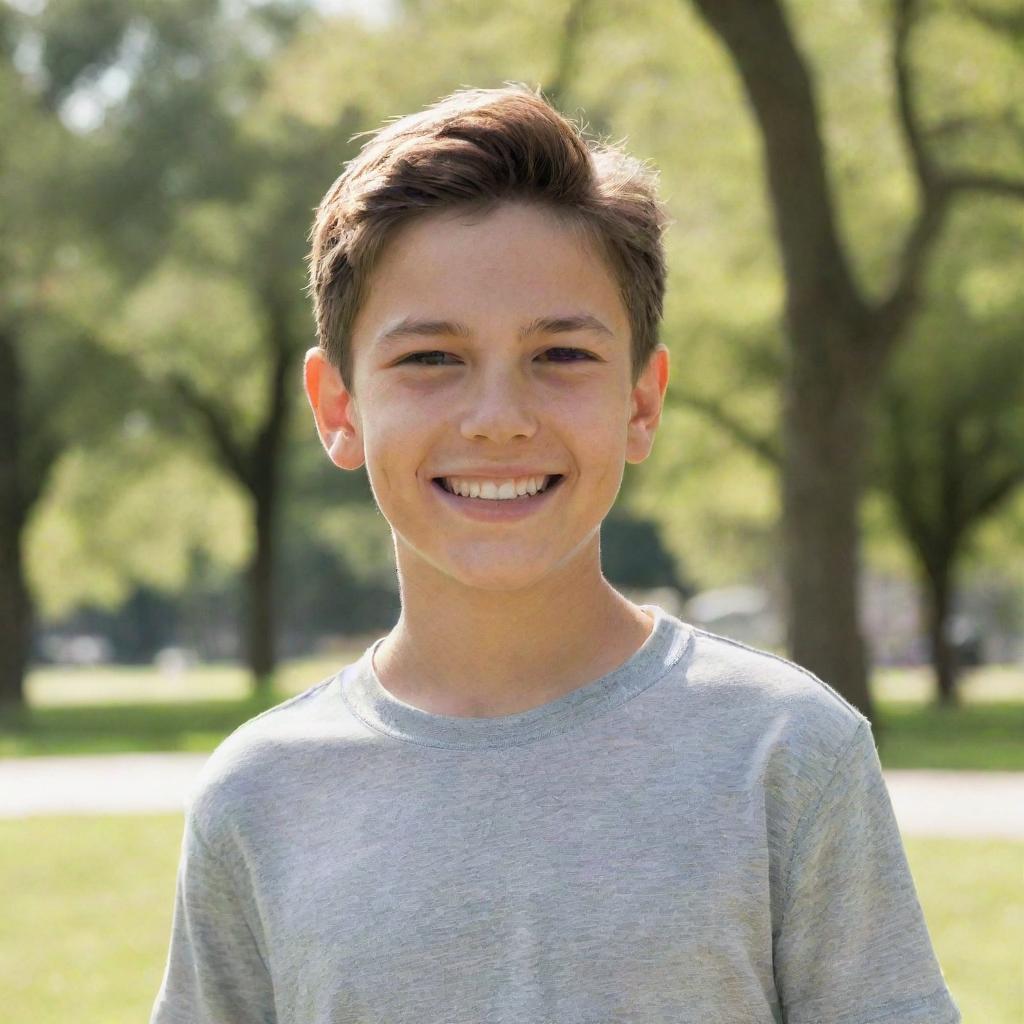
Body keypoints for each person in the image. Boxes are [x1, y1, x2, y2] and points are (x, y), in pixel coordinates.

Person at [150, 84, 961, 1024]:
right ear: (339, 409)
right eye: (431, 359)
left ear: (642, 402)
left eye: (562, 355)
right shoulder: (259, 796)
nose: (500, 419)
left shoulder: (787, 755)